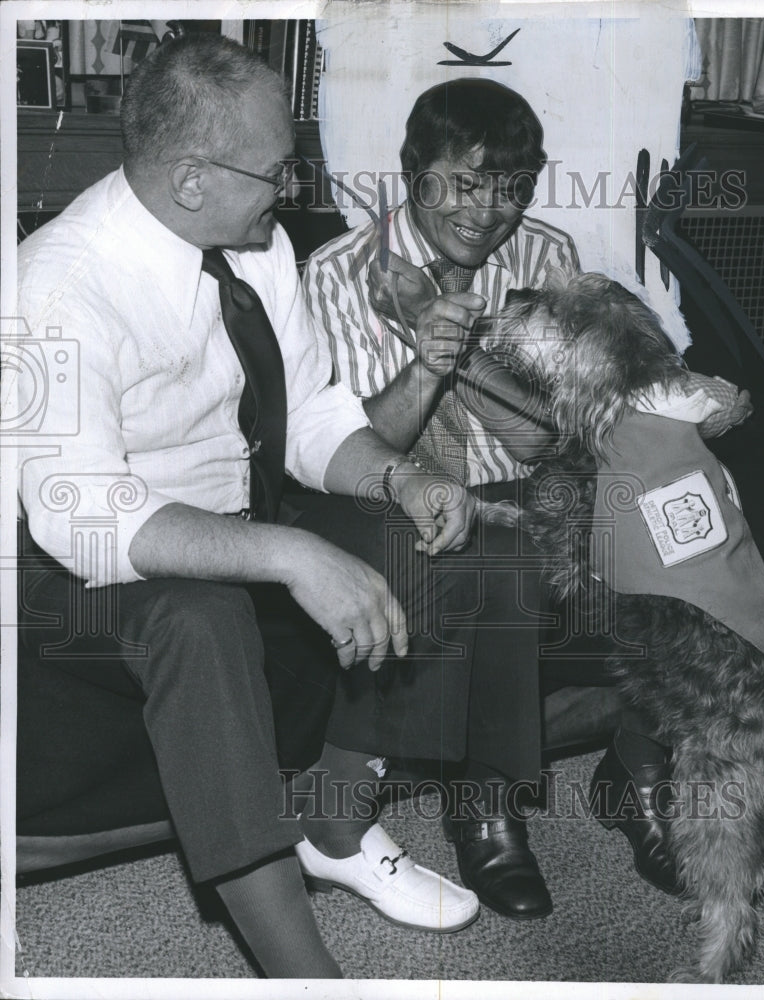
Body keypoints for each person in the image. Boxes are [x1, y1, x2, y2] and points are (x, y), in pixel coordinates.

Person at [13, 35, 557, 978]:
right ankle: (301, 972)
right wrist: (289, 555)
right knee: (202, 615)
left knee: (448, 534)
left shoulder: (251, 246)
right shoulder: (57, 283)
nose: (293, 185)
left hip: (237, 519)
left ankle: (335, 828)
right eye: (277, 168)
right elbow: (82, 516)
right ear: (191, 178)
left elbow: (309, 415)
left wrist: (403, 478)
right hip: (82, 567)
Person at [303, 77, 752, 905]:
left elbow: (552, 435)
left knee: (697, 530)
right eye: (464, 183)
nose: (487, 211)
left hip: (544, 480)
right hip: (403, 495)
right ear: (413, 175)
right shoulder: (336, 274)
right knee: (502, 557)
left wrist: (458, 340)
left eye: (511, 188)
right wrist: (424, 357)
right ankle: (486, 804)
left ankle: (639, 763)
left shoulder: (546, 258)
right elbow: (359, 445)